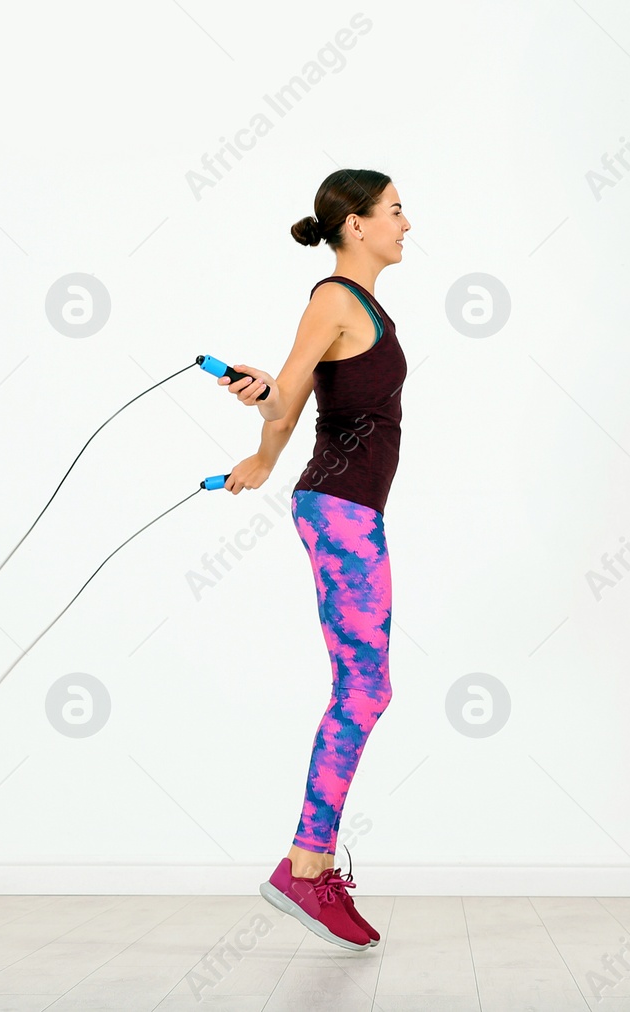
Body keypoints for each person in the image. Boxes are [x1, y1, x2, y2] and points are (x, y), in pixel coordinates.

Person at [216, 168, 410, 951]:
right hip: (340, 510)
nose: (407, 222)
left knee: (365, 687)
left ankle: (308, 862)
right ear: (356, 226)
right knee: (365, 689)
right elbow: (286, 392)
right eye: (395, 210)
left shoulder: (361, 305)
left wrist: (263, 459)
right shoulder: (334, 298)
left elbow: (292, 402)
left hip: (345, 508)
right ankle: (305, 866)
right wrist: (262, 398)